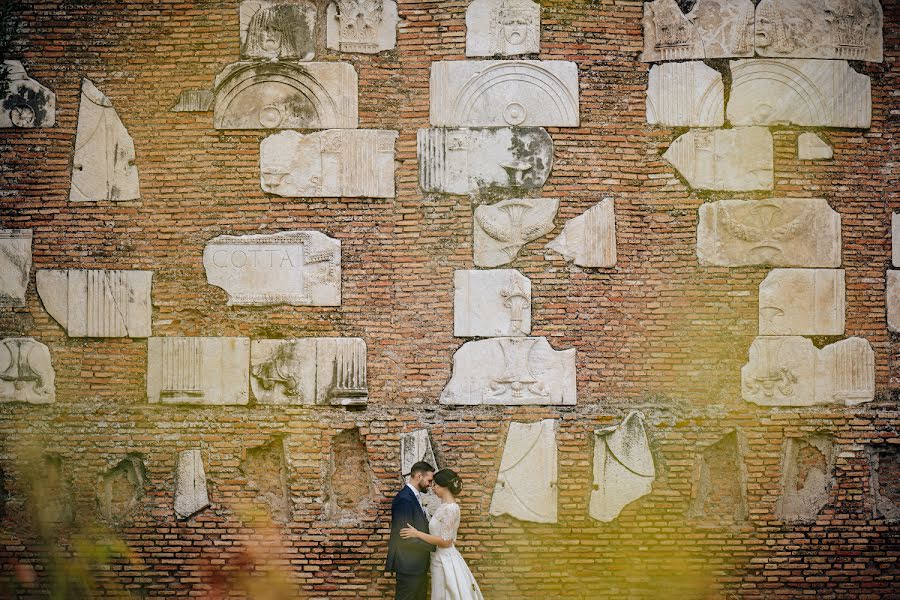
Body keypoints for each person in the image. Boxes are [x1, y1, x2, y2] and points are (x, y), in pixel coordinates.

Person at [400, 469, 484, 600]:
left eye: (435, 485)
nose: (432, 488)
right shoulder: (443, 506)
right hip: (437, 557)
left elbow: (445, 541)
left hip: (445, 559)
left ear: (443, 486)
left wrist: (417, 534)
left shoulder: (451, 508)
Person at [386, 461, 436, 600]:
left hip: (417, 565)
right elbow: (405, 535)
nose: (430, 485)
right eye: (429, 480)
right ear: (419, 476)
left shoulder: (414, 496)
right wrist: (434, 545)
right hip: (409, 565)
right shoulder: (404, 499)